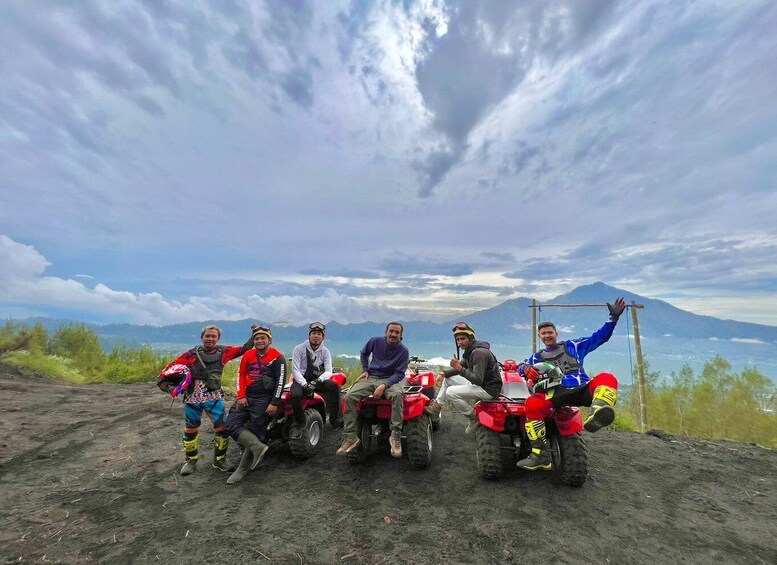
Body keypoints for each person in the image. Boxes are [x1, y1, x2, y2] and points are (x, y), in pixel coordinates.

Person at [516, 297, 626, 471]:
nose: (547, 336)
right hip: (555, 392)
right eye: (543, 334)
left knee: (607, 377)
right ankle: (540, 455)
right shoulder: (536, 357)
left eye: (550, 332)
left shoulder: (574, 345)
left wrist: (613, 319)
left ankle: (598, 411)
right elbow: (519, 367)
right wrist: (526, 368)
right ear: (539, 336)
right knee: (532, 404)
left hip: (580, 388)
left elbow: (600, 337)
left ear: (556, 333)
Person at [156, 324, 254, 476]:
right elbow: (171, 368)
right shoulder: (191, 354)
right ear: (202, 337)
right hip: (192, 397)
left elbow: (244, 349)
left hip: (214, 396)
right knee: (191, 428)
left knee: (222, 428)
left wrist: (255, 333)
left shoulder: (224, 352)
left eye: (213, 336)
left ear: (218, 338)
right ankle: (190, 460)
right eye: (207, 336)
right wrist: (164, 383)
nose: (210, 338)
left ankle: (220, 460)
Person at [336, 322, 409, 458]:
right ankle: (351, 437)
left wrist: (384, 385)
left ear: (401, 335)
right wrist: (365, 370)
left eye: (397, 332)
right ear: (386, 331)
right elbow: (364, 353)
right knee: (349, 396)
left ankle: (395, 436)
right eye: (391, 331)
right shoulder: (375, 341)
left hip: (390, 380)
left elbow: (399, 374)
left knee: (398, 395)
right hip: (371, 377)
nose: (393, 334)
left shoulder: (403, 351)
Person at [223, 325, 286, 484]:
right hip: (247, 396)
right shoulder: (248, 355)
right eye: (256, 338)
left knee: (255, 428)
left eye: (262, 338)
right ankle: (258, 447)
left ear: (269, 340)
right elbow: (241, 375)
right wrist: (241, 395)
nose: (259, 340)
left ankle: (242, 468)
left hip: (265, 398)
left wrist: (274, 403)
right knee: (231, 423)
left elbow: (280, 382)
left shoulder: (278, 357)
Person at [425, 322, 502, 434]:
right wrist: (443, 374)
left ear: (470, 338)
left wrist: (459, 368)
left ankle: (473, 417)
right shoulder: (471, 351)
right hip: (482, 385)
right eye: (458, 340)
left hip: (488, 390)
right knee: (448, 380)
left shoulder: (478, 353)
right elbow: (461, 368)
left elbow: (477, 379)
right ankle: (436, 408)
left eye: (462, 339)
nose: (460, 342)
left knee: (451, 392)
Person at [290, 322, 342, 435]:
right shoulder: (299, 349)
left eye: (319, 334)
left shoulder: (325, 351)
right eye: (314, 333)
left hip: (317, 380)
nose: (316, 336)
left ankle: (335, 419)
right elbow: (295, 370)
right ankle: (300, 423)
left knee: (333, 387)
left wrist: (318, 380)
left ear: (323, 337)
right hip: (301, 380)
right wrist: (304, 384)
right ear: (309, 335)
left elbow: (329, 370)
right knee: (295, 395)